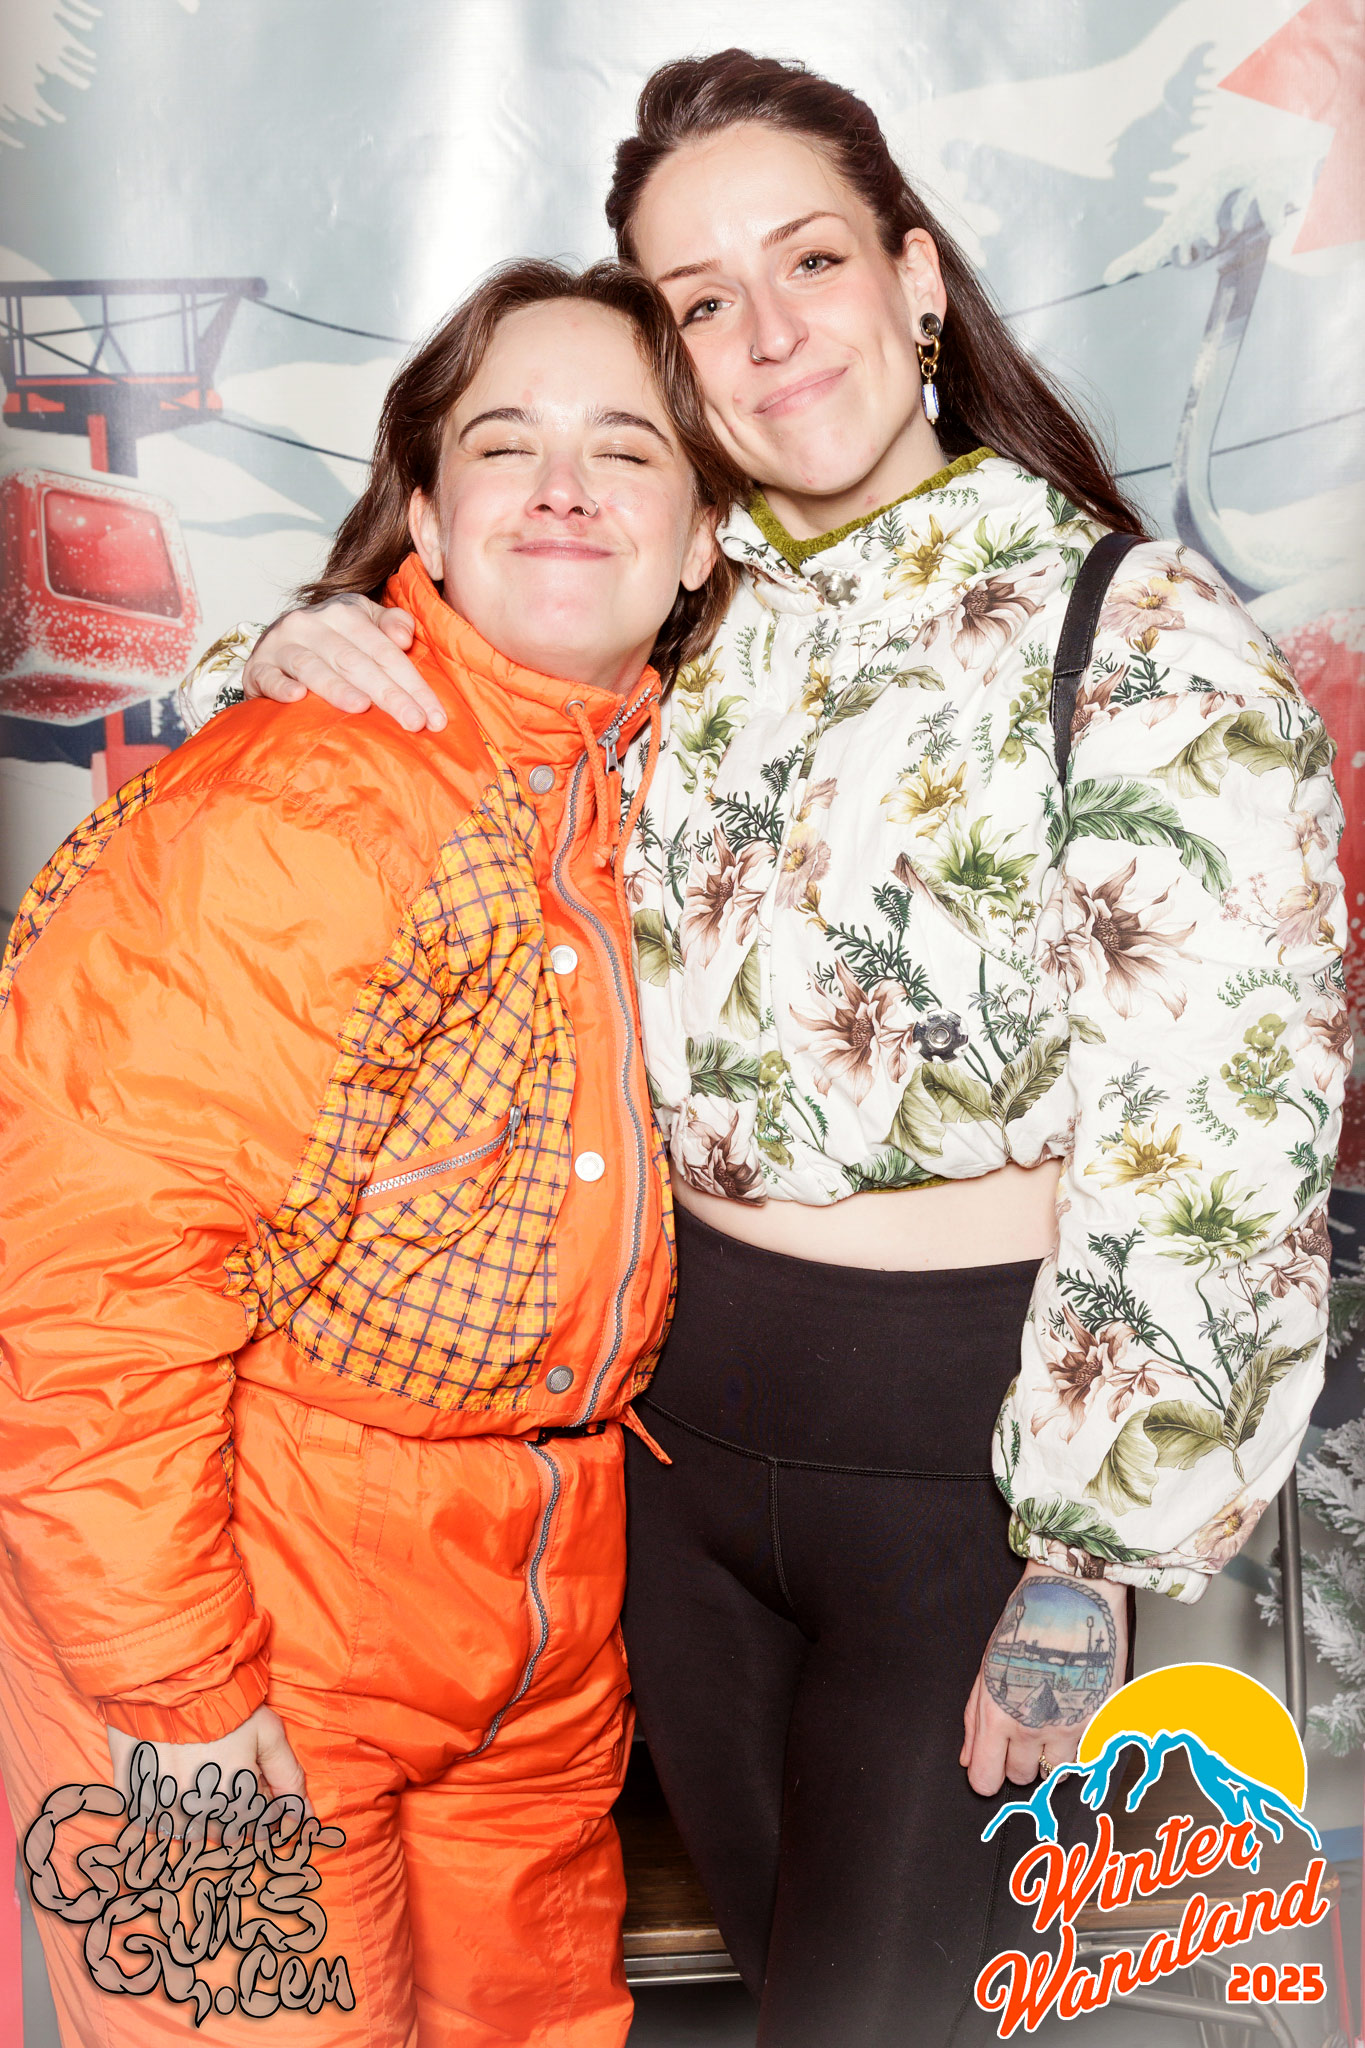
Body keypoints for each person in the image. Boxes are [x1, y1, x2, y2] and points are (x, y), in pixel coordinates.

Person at [178, 50, 1350, 2047]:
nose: (770, 329)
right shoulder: (676, 614)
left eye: (809, 260)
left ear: (916, 277)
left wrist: (1087, 1553)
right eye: (701, 299)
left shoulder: (1138, 643)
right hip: (665, 1456)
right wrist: (279, 651)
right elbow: (417, 726)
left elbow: (1217, 1143)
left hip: (968, 1480)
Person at [0, 258, 740, 2048]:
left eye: (625, 448)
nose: (562, 487)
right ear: (424, 513)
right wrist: (175, 1699)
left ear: (704, 536)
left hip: (537, 1607)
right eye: (504, 443)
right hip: (237, 1591)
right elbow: (88, 1289)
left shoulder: (665, 789)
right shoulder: (309, 798)